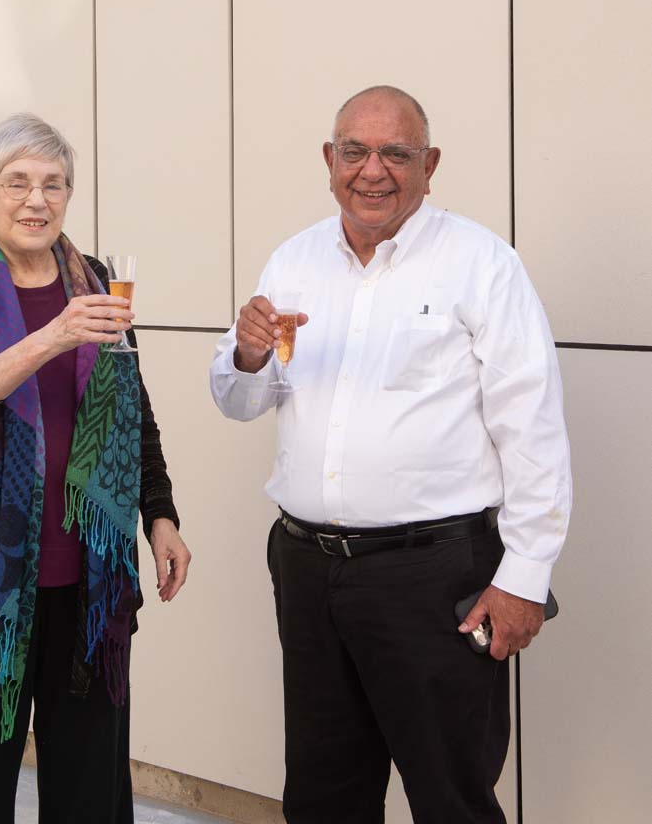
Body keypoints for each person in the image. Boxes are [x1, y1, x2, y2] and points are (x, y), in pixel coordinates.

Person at [210, 85, 571, 824]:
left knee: (450, 797)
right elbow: (241, 400)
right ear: (329, 160)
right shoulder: (294, 259)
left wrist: (523, 577)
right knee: (322, 793)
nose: (372, 171)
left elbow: (531, 426)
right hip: (308, 570)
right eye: (355, 152)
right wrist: (245, 356)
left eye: (395, 153)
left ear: (428, 164)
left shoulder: (480, 264)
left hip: (434, 577)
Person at [0, 113, 191, 824]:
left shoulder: (92, 278)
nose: (37, 200)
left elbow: (133, 413)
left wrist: (159, 515)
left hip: (88, 586)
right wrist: (52, 335)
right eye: (18, 183)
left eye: (53, 185)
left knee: (90, 785)